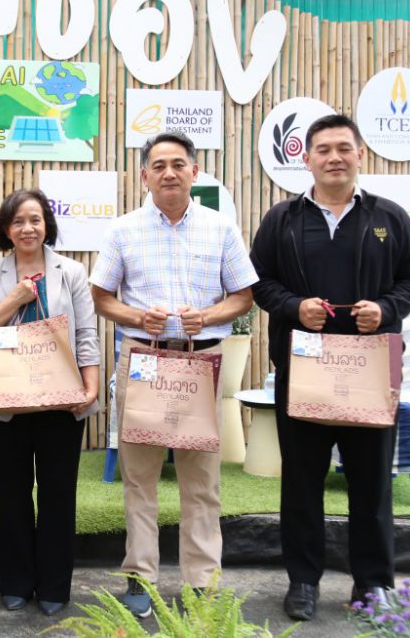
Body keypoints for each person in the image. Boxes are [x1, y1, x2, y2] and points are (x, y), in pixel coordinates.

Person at [249, 113, 410, 621]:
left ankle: (373, 587)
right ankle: (303, 582)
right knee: (302, 485)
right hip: (303, 373)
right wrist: (292, 307)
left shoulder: (388, 217)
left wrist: (388, 308)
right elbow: (258, 282)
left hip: (369, 374)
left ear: (359, 155)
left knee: (372, 486)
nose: (334, 157)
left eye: (343, 148)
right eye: (323, 149)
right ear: (305, 159)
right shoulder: (281, 221)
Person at [89, 131, 257, 619]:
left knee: (201, 483)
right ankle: (140, 577)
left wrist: (210, 313)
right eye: (158, 165)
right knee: (139, 478)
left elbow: (243, 295)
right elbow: (102, 297)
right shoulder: (122, 230)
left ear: (194, 173)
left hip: (199, 361)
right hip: (143, 359)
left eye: (178, 164)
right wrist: (136, 317)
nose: (168, 172)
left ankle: (201, 584)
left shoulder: (220, 228)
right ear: (144, 175)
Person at [0, 189, 100, 616]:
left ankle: (54, 587)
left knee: (59, 494)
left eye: (36, 219)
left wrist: (91, 387)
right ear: (6, 228)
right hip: (8, 402)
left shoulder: (73, 272)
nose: (28, 228)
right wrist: (14, 299)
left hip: (62, 402)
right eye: (19, 221)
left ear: (48, 225)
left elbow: (85, 335)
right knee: (10, 494)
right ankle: (15, 582)